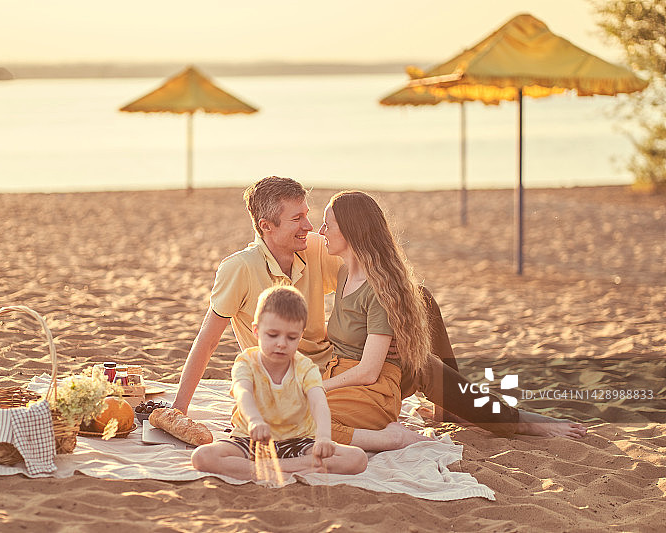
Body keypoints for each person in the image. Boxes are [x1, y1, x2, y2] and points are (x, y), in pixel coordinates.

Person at [317, 191, 588, 450]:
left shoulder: (377, 288)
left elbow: (369, 370)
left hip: (374, 381)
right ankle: (461, 409)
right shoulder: (343, 275)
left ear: (350, 231)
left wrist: (314, 385)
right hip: (350, 375)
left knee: (421, 343)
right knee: (420, 334)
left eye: (327, 226)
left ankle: (516, 421)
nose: (320, 232)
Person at [173, 176, 458, 416]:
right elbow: (207, 343)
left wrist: (400, 326)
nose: (309, 227)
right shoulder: (240, 268)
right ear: (266, 226)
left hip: (337, 363)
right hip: (293, 377)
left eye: (307, 215)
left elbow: (379, 281)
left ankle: (457, 410)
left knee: (421, 301)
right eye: (297, 219)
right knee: (422, 365)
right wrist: (178, 410)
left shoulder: (313, 248)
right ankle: (478, 410)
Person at [191, 286, 368, 480]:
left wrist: (324, 437)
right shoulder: (247, 362)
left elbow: (319, 402)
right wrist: (255, 420)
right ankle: (298, 468)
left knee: (357, 458)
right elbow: (243, 393)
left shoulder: (304, 367)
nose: (281, 343)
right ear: (256, 330)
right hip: (251, 440)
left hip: (298, 442)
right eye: (273, 335)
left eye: (291, 337)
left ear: (300, 335)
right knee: (202, 456)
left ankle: (268, 469)